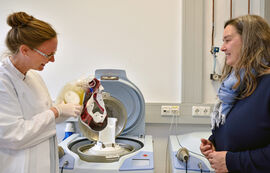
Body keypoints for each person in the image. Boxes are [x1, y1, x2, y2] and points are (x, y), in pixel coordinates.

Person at [0, 12, 82, 173]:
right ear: (25, 50)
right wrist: (56, 111)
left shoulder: (33, 77)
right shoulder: (3, 81)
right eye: (48, 54)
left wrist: (72, 103)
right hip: (18, 166)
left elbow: (45, 118)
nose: (52, 60)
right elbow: (14, 135)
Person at [200, 14, 270, 173]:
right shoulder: (237, 85)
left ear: (249, 42)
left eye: (227, 40)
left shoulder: (267, 86)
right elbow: (241, 131)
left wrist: (231, 162)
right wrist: (214, 144)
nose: (222, 47)